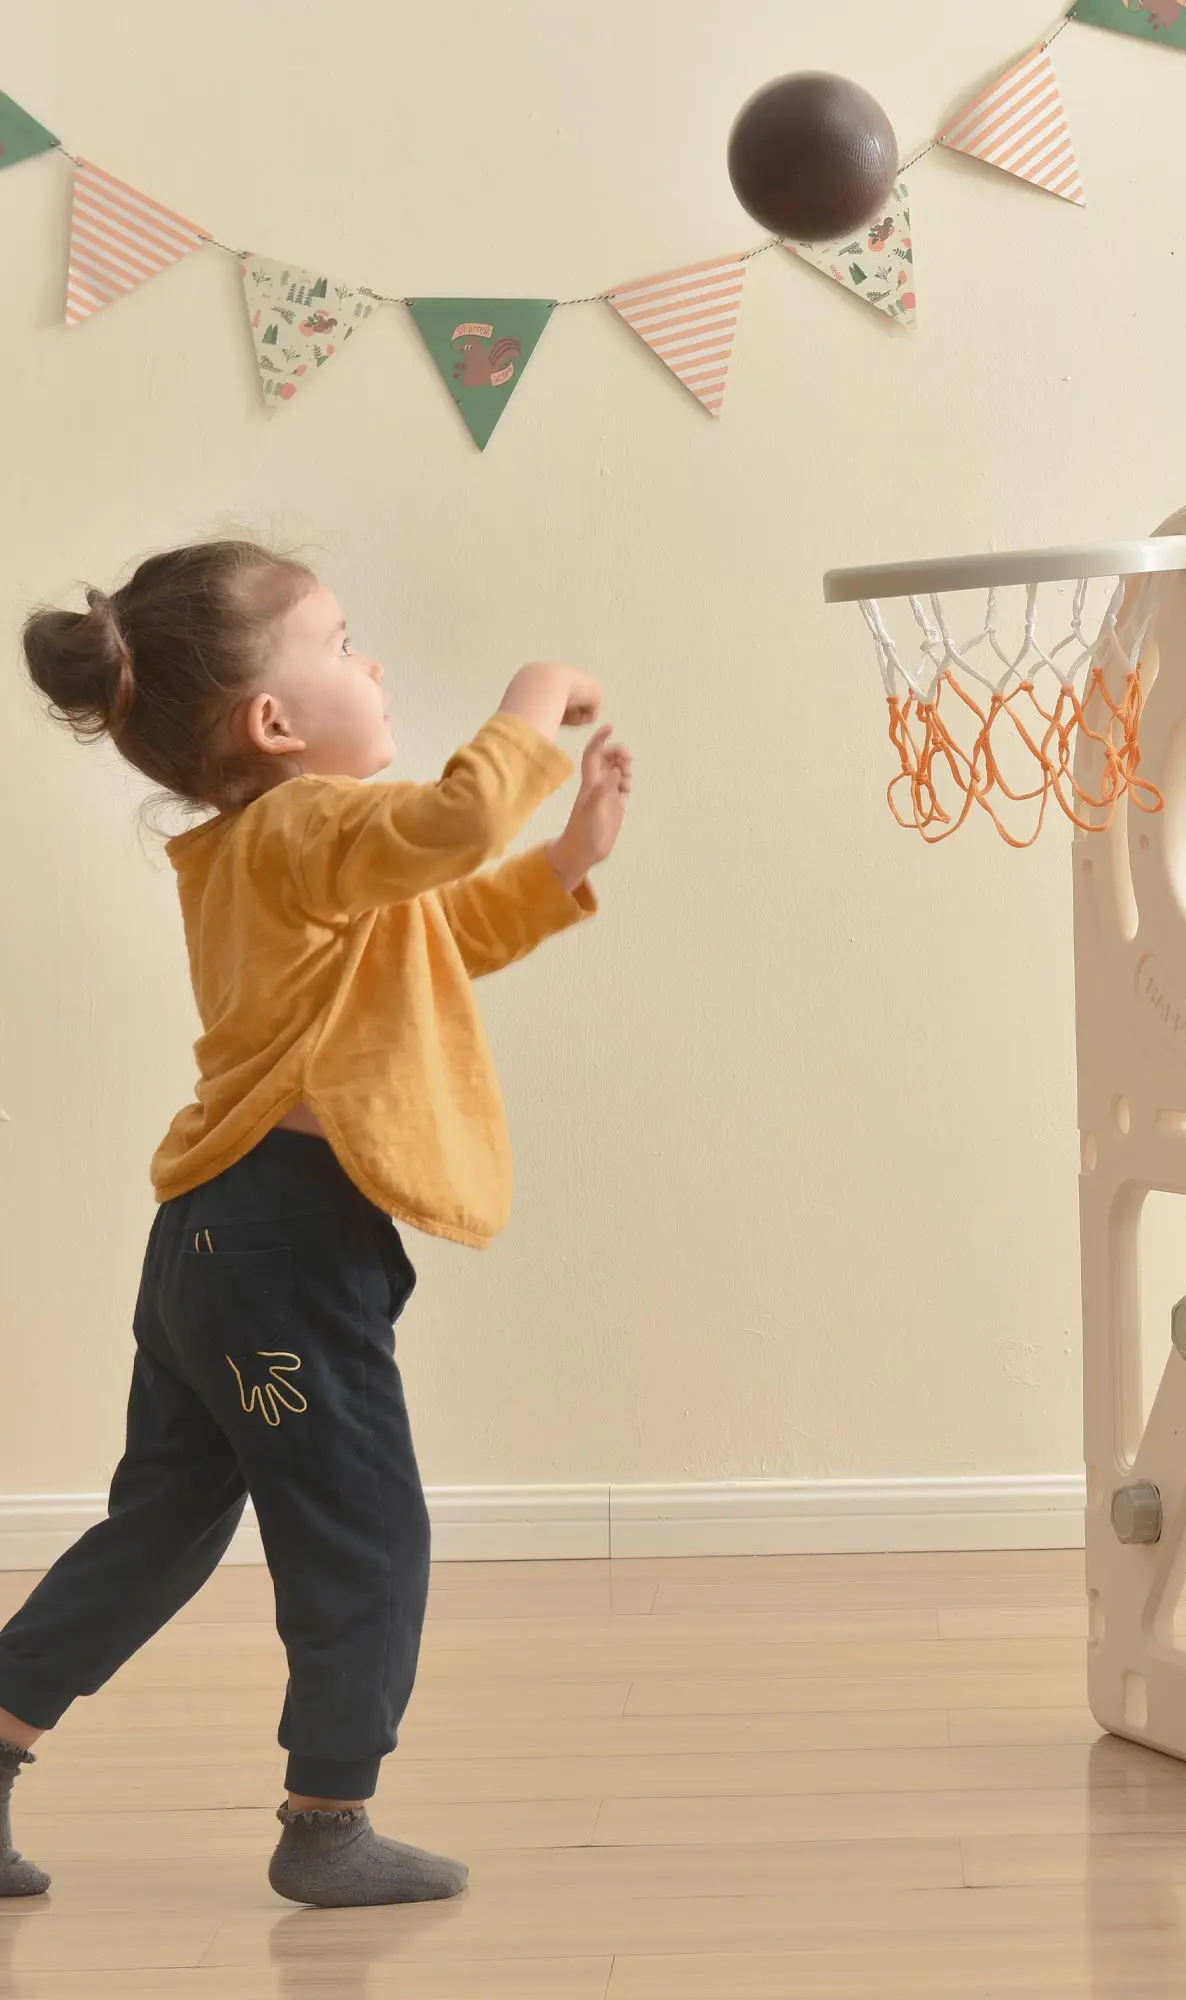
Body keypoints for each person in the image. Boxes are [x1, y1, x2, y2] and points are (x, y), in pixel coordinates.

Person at [1, 540, 631, 1907]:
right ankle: (327, 1820)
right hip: (277, 1255)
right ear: (275, 726)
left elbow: (438, 930)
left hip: (216, 1248)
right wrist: (530, 700)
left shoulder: (266, 857)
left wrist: (565, 863)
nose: (375, 663)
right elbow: (456, 829)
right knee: (366, 1530)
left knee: (161, 1527)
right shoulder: (298, 827)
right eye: (345, 643)